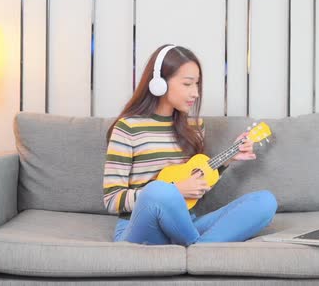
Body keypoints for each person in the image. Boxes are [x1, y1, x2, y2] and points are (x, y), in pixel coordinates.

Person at [103, 44, 277, 246]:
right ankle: (199, 248)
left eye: (197, 84)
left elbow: (196, 181)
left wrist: (229, 158)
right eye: (187, 84)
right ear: (160, 83)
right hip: (143, 228)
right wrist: (174, 191)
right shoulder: (128, 128)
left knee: (265, 201)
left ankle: (199, 248)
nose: (195, 93)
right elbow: (112, 200)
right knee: (158, 191)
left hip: (186, 223)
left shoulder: (194, 127)